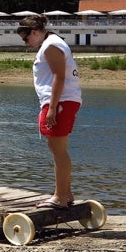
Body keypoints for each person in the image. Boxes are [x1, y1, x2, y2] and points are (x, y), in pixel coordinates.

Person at [16, 14, 82, 209]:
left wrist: (52, 108)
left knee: (58, 150)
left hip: (60, 101)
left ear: (34, 32)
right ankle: (66, 194)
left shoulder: (51, 45)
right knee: (56, 148)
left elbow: (59, 77)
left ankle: (60, 197)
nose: (26, 43)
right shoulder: (51, 42)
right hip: (62, 101)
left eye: (26, 39)